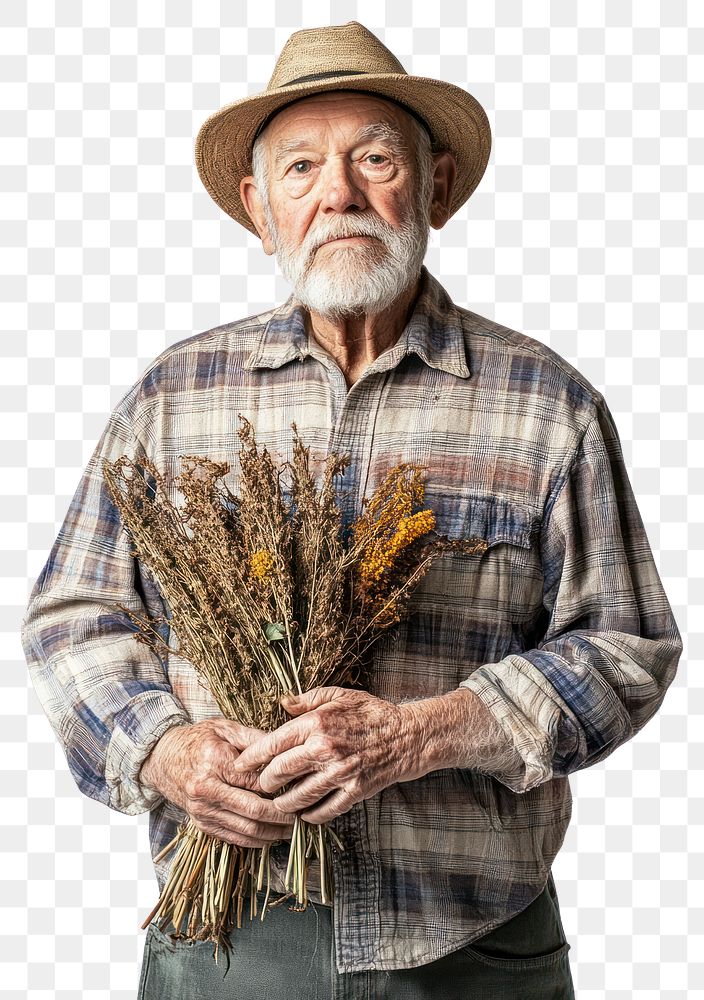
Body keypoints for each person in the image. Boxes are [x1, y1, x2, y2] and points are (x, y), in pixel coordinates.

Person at [21, 21, 683, 1000]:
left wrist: (428, 732)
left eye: (373, 158)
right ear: (259, 206)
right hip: (226, 941)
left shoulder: (545, 404)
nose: (337, 192)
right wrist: (164, 751)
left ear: (436, 184)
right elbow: (74, 618)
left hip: (469, 948)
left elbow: (625, 645)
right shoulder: (173, 395)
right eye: (300, 168)